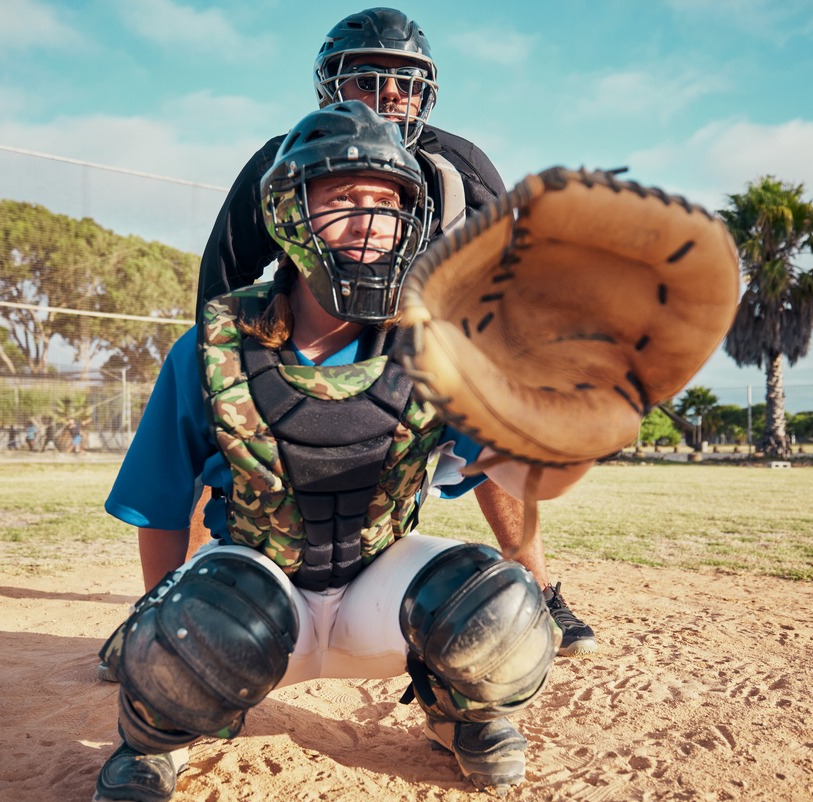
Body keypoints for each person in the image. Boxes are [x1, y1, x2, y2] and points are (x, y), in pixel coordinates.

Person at [90, 103, 598, 802]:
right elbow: (163, 505)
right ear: (289, 213)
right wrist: (160, 639)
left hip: (375, 597)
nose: (371, 220)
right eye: (343, 198)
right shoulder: (215, 347)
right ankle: (152, 744)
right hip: (261, 600)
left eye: (388, 203)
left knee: (500, 602)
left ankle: (461, 713)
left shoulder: (436, 346)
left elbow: (511, 472)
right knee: (192, 613)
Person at [189, 6, 596, 655]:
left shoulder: (458, 164)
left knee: (491, 438)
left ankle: (539, 589)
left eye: (404, 81)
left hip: (416, 350)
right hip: (310, 346)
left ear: (425, 91)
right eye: (368, 78)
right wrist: (219, 374)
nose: (389, 94)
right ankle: (175, 598)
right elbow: (226, 269)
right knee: (213, 439)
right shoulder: (285, 157)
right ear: (331, 85)